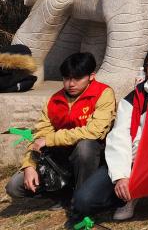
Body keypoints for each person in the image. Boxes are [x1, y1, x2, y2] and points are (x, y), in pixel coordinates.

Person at [70, 42, 148, 230]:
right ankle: (131, 195)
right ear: (147, 66)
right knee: (83, 201)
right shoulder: (133, 99)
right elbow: (119, 138)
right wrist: (121, 176)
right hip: (136, 160)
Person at [5, 52, 114, 221]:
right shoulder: (54, 100)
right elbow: (39, 136)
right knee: (14, 187)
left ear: (91, 76)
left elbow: (94, 131)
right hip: (60, 159)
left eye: (77, 78)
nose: (71, 84)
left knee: (85, 146)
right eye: (66, 78)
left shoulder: (103, 93)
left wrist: (51, 139)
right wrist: (29, 166)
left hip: (93, 159)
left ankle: (83, 202)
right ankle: (63, 195)